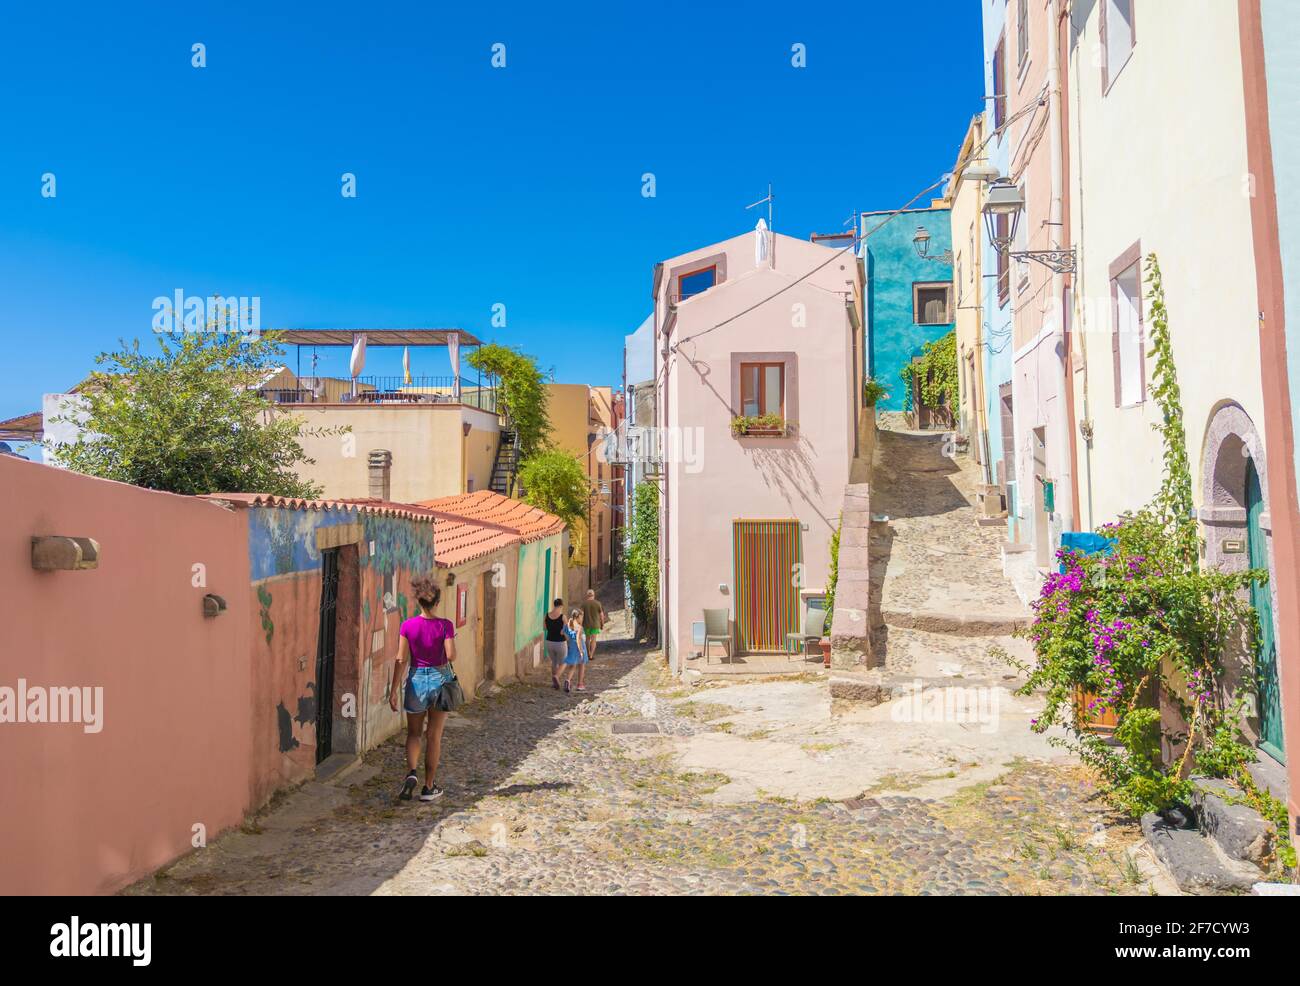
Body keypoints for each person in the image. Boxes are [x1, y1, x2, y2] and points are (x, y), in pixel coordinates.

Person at [389, 577, 456, 802]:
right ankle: (428, 787)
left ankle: (411, 773)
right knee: (434, 735)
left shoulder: (407, 626)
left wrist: (393, 690)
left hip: (416, 679)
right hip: (439, 679)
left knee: (414, 733)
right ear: (437, 602)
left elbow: (401, 659)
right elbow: (451, 655)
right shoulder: (445, 625)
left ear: (418, 602)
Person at [559, 607, 588, 693]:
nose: (582, 619)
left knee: (573, 666)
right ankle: (580, 684)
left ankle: (568, 680)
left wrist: (568, 639)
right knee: (582, 665)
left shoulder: (568, 625)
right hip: (579, 647)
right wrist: (581, 651)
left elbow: (561, 632)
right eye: (582, 617)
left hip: (571, 646)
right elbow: (579, 640)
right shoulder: (579, 627)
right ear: (578, 617)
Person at [544, 598, 567, 689]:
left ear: (554, 605)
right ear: (561, 606)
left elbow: (545, 627)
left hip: (549, 641)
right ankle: (556, 676)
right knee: (564, 662)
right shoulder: (563, 617)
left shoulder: (546, 615)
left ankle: (554, 683)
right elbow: (565, 630)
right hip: (560, 642)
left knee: (554, 661)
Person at [581, 588, 607, 662]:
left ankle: (588, 653)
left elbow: (581, 615)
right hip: (595, 625)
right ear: (593, 595)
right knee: (594, 640)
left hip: (586, 624)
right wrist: (602, 624)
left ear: (587, 595)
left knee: (587, 639)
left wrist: (580, 624)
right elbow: (601, 615)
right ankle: (591, 655)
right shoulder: (598, 603)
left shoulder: (584, 604)